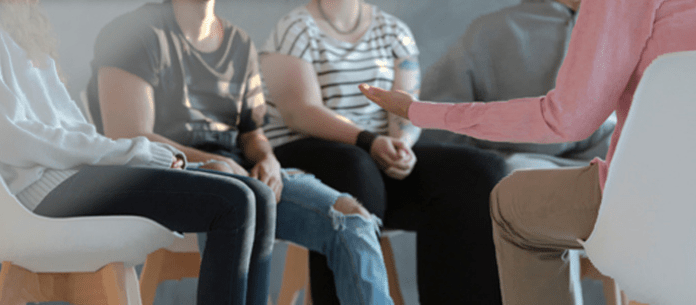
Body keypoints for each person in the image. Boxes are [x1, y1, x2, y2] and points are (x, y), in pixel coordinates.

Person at [359, 0, 696, 303]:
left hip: (655, 199)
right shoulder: (496, 30)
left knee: (512, 206)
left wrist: (419, 111)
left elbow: (565, 122)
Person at [0, 1, 277, 304]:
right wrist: (142, 154)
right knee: (232, 203)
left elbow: (75, 131)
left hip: (73, 176)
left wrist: (138, 155)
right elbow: (11, 134)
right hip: (41, 190)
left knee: (258, 195)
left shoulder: (24, 25)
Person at [85, 0, 393, 304]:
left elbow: (252, 133)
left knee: (352, 218)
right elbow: (127, 135)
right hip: (170, 176)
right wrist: (213, 163)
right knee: (231, 189)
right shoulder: (133, 33)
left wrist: (267, 159)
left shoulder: (239, 42)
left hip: (240, 175)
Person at [259, 0, 508, 304]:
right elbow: (300, 112)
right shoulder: (293, 30)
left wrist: (401, 144)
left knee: (479, 171)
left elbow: (406, 106)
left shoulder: (393, 31)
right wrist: (368, 142)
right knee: (354, 166)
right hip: (304, 152)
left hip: (373, 157)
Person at [420, 0, 616, 173]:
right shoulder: (491, 31)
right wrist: (494, 157)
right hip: (515, 166)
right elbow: (436, 122)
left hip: (607, 165)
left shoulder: (621, 33)